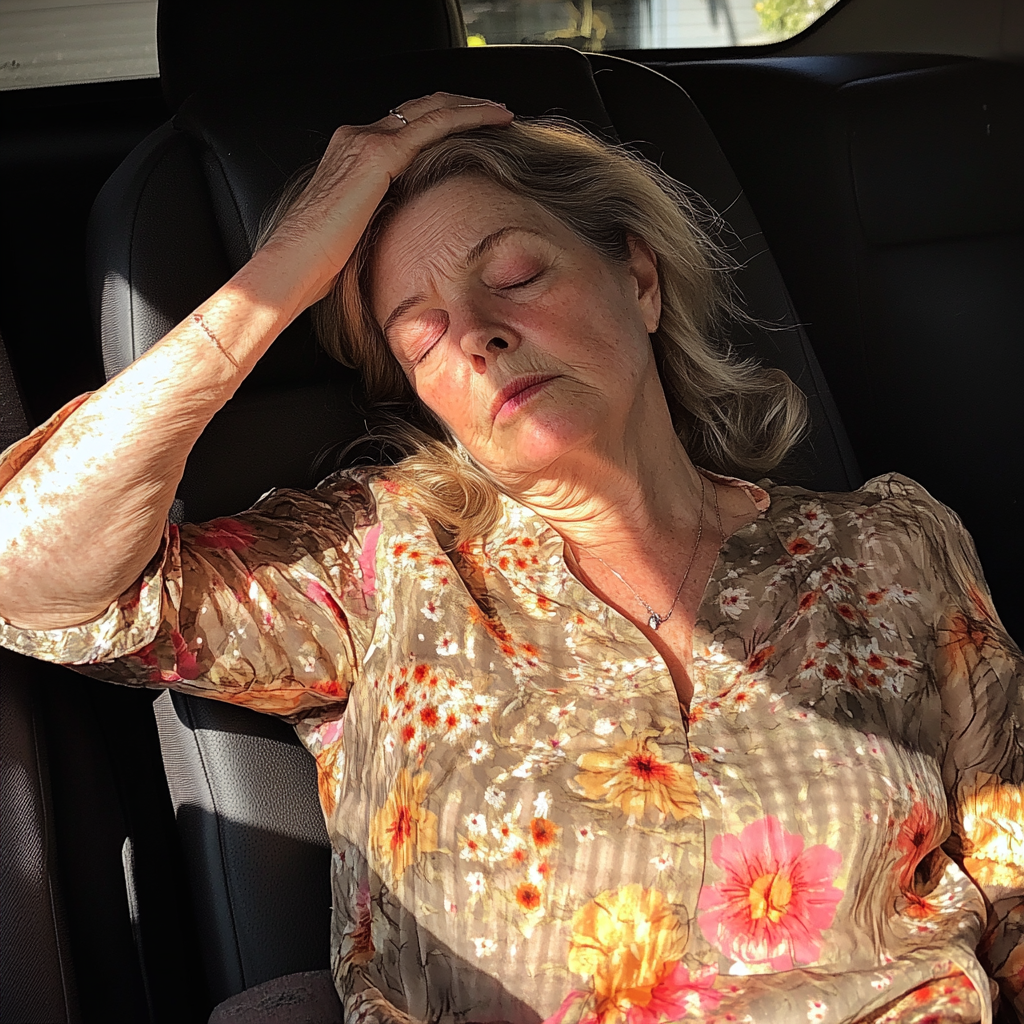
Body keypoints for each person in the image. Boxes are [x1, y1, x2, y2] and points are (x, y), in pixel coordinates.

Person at [0, 93, 1020, 1024]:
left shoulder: (891, 542)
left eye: (517, 276)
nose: (479, 336)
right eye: (422, 333)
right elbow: (23, 567)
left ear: (639, 277)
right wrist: (290, 266)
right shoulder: (382, 559)